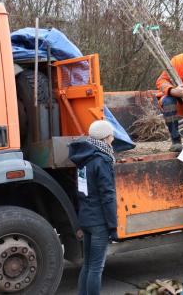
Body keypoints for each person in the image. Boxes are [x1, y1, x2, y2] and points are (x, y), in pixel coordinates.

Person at [68, 120, 118, 295]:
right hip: (99, 222)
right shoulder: (102, 160)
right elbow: (108, 195)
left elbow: (80, 191)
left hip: (86, 218)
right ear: (105, 137)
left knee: (88, 264)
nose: (113, 138)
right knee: (96, 267)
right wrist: (113, 226)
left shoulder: (83, 158)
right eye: (111, 135)